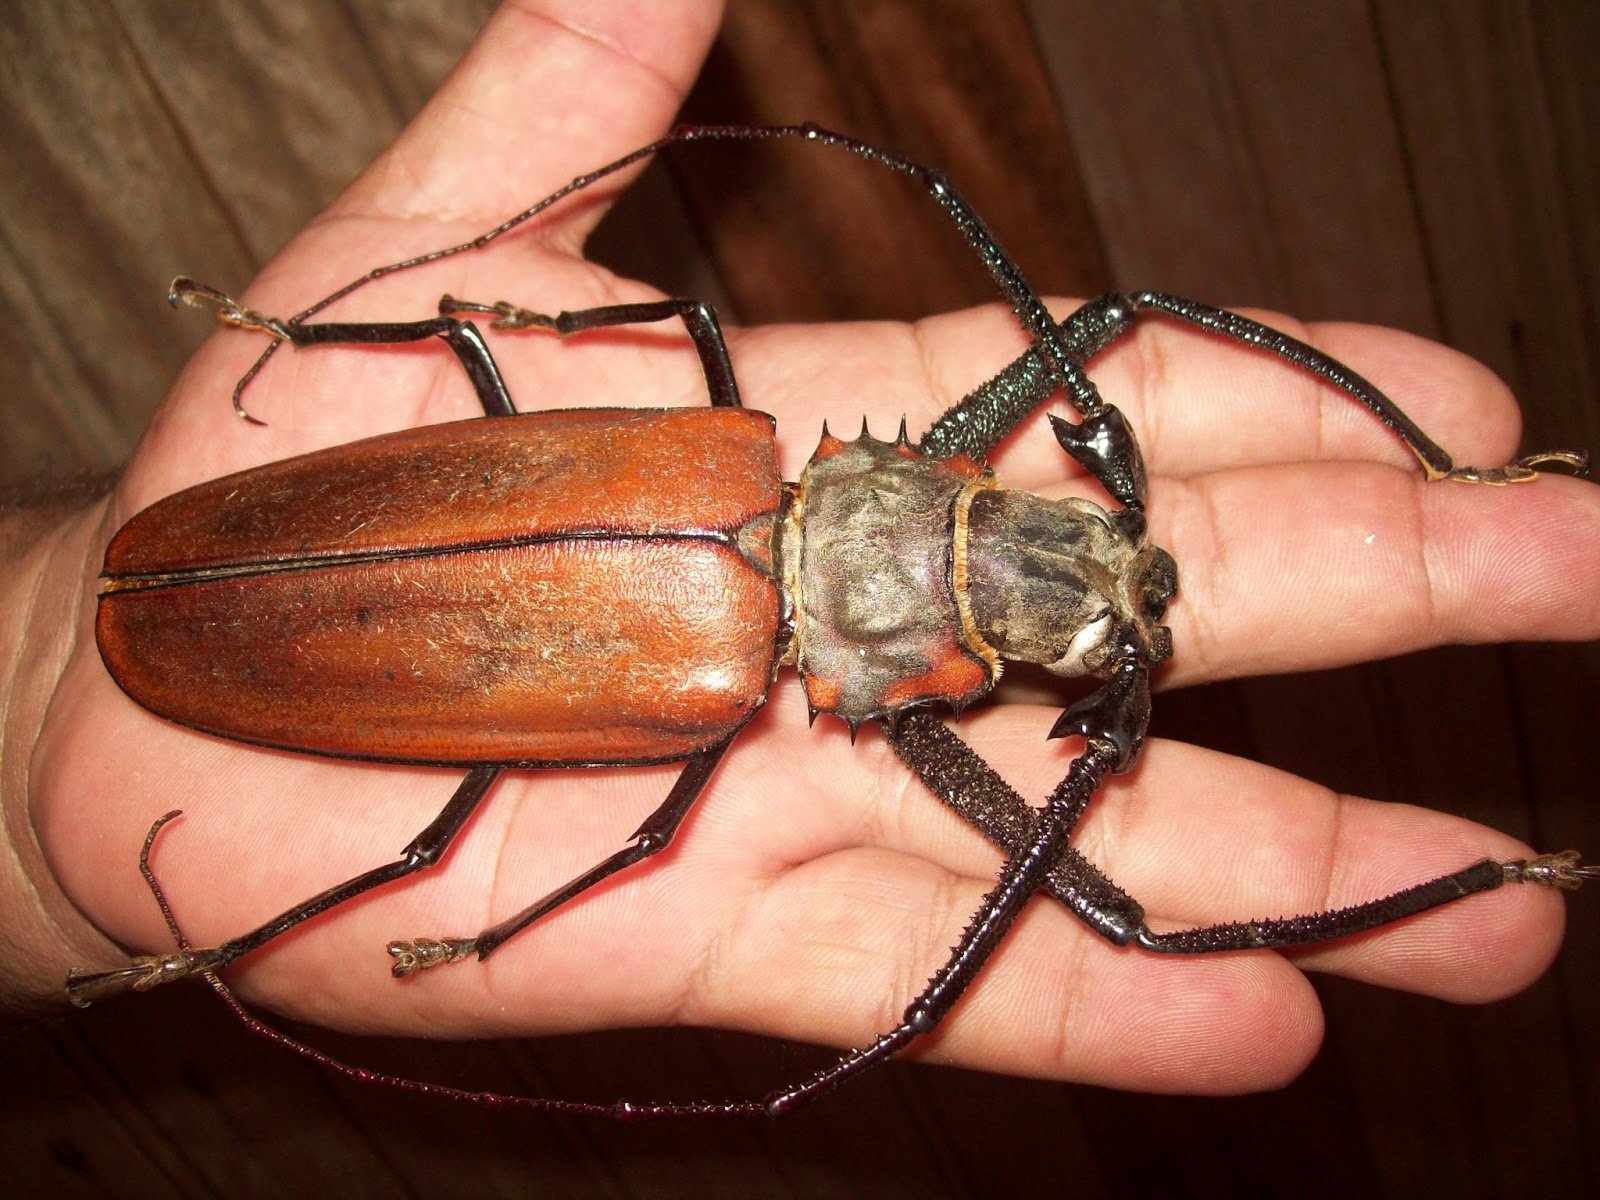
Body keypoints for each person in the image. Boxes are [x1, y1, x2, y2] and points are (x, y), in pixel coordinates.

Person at [3, 0, 1596, 1100]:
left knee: (1111, 328)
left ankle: (1493, 824)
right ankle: (1490, 781)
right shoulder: (741, 650)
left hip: (326, 593)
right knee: (1114, 915)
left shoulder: (724, 446)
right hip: (268, 564)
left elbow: (1120, 316)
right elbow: (638, 848)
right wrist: (486, 931)